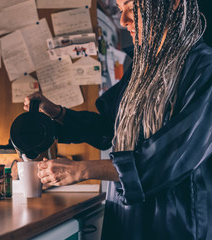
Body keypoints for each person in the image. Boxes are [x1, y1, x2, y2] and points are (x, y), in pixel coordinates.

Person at [23, 0, 212, 239]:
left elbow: (171, 157)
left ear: (172, 4)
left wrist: (84, 169)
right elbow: (108, 128)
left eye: (132, 7)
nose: (123, 21)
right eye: (120, 10)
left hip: (175, 223)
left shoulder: (204, 69)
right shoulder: (142, 69)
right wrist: (57, 112)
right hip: (125, 217)